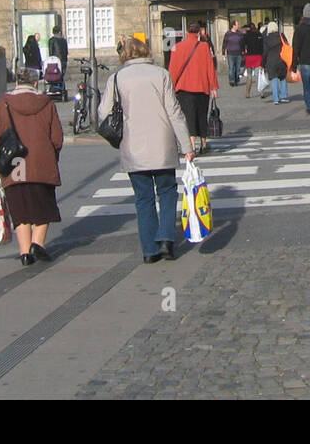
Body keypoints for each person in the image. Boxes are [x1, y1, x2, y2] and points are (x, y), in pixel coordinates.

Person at [100, 37, 195, 264]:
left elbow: (103, 113)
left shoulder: (117, 78)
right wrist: (187, 146)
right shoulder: (161, 74)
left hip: (133, 145)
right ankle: (166, 238)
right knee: (168, 191)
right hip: (162, 144)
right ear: (145, 51)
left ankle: (149, 250)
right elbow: (174, 112)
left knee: (143, 198)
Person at [0, 67, 64, 266]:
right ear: (36, 83)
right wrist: (52, 156)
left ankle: (24, 253)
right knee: (43, 207)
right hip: (41, 163)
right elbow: (57, 138)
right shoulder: (47, 104)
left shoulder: (4, 104)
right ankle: (38, 243)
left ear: (17, 83)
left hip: (14, 165)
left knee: (20, 210)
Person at [169, 22, 218, 154]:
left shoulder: (177, 47)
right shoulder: (204, 47)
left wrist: (171, 87)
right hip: (202, 87)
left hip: (184, 88)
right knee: (202, 115)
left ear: (186, 33)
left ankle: (191, 144)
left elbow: (173, 70)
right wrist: (213, 86)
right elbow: (210, 68)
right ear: (198, 33)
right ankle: (204, 143)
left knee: (188, 117)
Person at [262, 20, 289, 103]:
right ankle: (284, 96)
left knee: (274, 79)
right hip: (282, 60)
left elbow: (265, 52)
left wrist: (262, 63)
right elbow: (287, 45)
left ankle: (276, 98)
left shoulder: (266, 38)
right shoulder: (281, 36)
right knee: (283, 78)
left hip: (271, 61)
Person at [241, 21, 264, 98]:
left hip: (250, 57)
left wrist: (243, 52)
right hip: (258, 56)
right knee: (259, 76)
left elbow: (242, 44)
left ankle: (247, 93)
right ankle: (261, 92)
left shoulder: (246, 35)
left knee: (249, 75)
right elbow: (262, 46)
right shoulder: (259, 34)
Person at [222, 20, 245, 87]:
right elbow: (224, 43)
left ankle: (236, 80)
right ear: (233, 26)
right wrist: (223, 52)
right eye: (237, 25)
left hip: (239, 53)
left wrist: (243, 51)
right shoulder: (228, 33)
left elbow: (242, 43)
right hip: (230, 53)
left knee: (238, 68)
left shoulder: (240, 33)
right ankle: (231, 80)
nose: (238, 26)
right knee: (231, 68)